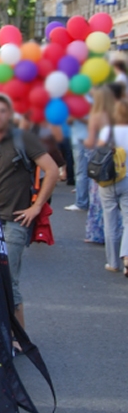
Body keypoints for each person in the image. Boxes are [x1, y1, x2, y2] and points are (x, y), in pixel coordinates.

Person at [0, 93, 60, 330]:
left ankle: (19, 336)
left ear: (10, 114)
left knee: (8, 280)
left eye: (3, 111)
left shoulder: (23, 139)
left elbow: (52, 170)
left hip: (14, 222)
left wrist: (36, 207)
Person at [97, 98, 128, 275]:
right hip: (127, 179)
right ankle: (126, 256)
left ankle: (113, 261)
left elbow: (99, 152)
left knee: (110, 221)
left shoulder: (108, 131)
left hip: (108, 179)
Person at [84, 86, 118, 243]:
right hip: (117, 157)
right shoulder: (117, 114)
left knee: (98, 197)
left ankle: (98, 232)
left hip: (99, 157)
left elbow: (91, 142)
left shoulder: (96, 116)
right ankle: (116, 233)